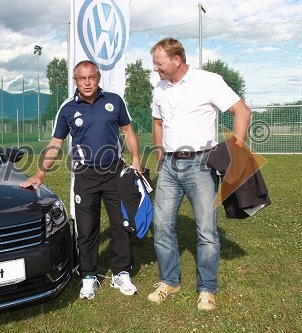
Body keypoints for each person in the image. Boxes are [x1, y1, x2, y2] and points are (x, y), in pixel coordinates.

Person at [20, 60, 142, 300]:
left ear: (98, 78)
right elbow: (56, 144)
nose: (87, 83)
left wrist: (136, 158)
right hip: (85, 175)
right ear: (75, 81)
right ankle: (88, 276)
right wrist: (40, 174)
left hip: (114, 173)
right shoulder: (67, 108)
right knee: (86, 228)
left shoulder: (114, 101)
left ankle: (121, 273)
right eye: (82, 78)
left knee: (121, 224)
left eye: (91, 77)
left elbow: (128, 131)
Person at [148, 38, 252, 310]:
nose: (155, 68)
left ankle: (207, 289)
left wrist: (237, 155)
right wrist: (160, 154)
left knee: (206, 231)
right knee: (161, 227)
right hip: (169, 166)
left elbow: (241, 111)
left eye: (159, 63)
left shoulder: (209, 81)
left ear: (176, 60)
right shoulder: (159, 87)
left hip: (202, 165)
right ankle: (169, 281)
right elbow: (157, 122)